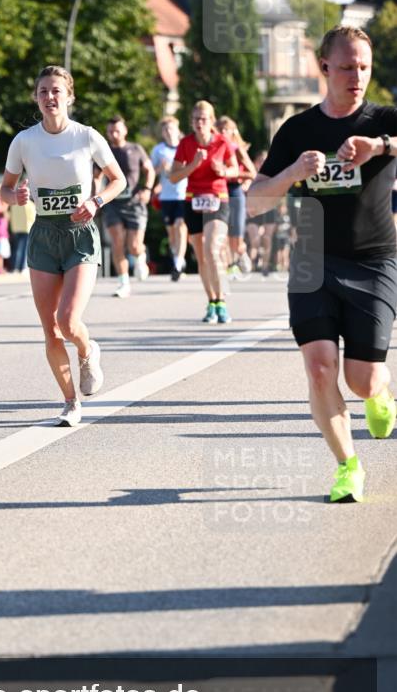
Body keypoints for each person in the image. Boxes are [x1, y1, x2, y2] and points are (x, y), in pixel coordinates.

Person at [247, 25, 397, 503]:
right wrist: (292, 173)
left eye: (364, 67)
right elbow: (254, 201)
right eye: (348, 67)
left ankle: (380, 393)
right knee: (318, 368)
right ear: (325, 67)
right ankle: (348, 466)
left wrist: (379, 147)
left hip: (373, 259)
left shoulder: (383, 120)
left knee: (361, 379)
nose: (357, 76)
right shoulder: (298, 130)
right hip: (312, 257)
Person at [0, 64, 126, 427]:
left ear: (69, 96)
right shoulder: (24, 141)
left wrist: (96, 201)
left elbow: (118, 180)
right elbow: (5, 189)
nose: (49, 97)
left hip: (79, 233)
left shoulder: (86, 136)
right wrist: (15, 196)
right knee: (50, 329)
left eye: (56, 90)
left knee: (68, 320)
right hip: (43, 235)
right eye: (43, 91)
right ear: (36, 98)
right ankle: (71, 402)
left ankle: (87, 350)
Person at [169, 100, 239, 323]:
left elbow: (235, 169)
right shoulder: (186, 144)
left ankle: (222, 302)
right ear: (191, 122)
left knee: (212, 249)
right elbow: (173, 177)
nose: (200, 123)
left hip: (218, 200)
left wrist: (223, 170)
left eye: (204, 119)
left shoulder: (222, 142)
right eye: (196, 119)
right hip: (193, 200)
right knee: (201, 257)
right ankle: (212, 302)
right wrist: (193, 165)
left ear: (212, 121)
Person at [102, 115, 155, 298]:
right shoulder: (104, 151)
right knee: (117, 242)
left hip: (134, 203)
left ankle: (140, 257)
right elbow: (96, 176)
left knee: (134, 246)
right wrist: (95, 197)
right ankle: (123, 283)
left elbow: (149, 170)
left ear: (125, 130)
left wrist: (147, 189)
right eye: (111, 131)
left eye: (117, 130)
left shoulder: (136, 149)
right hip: (112, 203)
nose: (114, 134)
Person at [216, 116, 256, 276]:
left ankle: (240, 254)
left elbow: (252, 173)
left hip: (234, 190)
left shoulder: (237, 149)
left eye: (227, 129)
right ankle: (230, 264)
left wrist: (231, 173)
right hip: (218, 192)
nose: (223, 132)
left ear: (233, 131)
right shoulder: (214, 148)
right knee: (222, 232)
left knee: (236, 234)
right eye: (220, 129)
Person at [150, 116, 188, 281]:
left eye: (171, 128)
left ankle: (178, 264)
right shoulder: (158, 150)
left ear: (177, 130)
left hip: (183, 194)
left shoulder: (185, 146)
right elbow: (152, 172)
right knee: (172, 234)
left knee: (181, 226)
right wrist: (161, 168)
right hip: (166, 196)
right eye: (165, 129)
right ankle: (178, 258)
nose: (168, 132)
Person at [9, 195, 36, 274]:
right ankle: (23, 267)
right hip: (26, 228)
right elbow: (32, 217)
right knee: (25, 249)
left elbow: (12, 216)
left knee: (16, 249)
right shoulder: (30, 204)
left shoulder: (14, 204)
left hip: (16, 228)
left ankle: (15, 267)